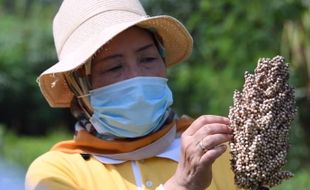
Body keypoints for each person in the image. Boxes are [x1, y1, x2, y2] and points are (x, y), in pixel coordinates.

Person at [25, 0, 236, 189]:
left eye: (148, 59)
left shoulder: (217, 150)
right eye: (114, 67)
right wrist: (181, 185)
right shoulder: (58, 173)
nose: (136, 77)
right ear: (80, 86)